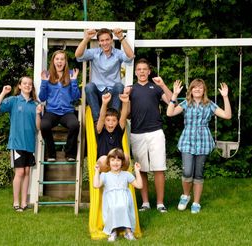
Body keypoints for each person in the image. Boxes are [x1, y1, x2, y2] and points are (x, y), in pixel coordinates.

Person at [166, 79, 232, 214]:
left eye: (200, 88)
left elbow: (227, 115)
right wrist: (174, 95)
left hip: (203, 141)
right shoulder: (186, 103)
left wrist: (225, 97)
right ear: (190, 90)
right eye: (195, 87)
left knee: (198, 173)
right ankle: (185, 196)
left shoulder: (209, 105)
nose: (197, 90)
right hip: (187, 141)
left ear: (204, 91)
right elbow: (170, 113)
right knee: (187, 171)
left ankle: (196, 202)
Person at [126, 58, 173, 213]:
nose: (142, 72)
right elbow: (126, 114)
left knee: (159, 168)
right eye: (139, 69)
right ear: (135, 72)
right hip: (137, 133)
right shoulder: (131, 89)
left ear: (149, 71)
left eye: (144, 69)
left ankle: (160, 203)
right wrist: (125, 99)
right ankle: (145, 203)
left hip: (155, 132)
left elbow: (173, 102)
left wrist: (163, 85)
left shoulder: (156, 87)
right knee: (142, 169)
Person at [0, 76, 42, 212]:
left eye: (30, 84)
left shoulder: (36, 104)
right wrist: (3, 93)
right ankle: (16, 203)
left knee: (27, 172)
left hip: (30, 143)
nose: (27, 86)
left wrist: (38, 114)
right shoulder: (13, 101)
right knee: (19, 172)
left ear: (32, 87)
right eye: (24, 83)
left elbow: (38, 127)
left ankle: (24, 203)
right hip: (17, 143)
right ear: (19, 86)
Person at [75, 28, 135, 122]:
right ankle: (97, 121)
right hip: (98, 93)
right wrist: (86, 38)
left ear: (111, 40)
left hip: (113, 93)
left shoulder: (117, 53)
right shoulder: (94, 53)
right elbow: (78, 55)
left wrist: (121, 37)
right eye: (102, 40)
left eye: (107, 39)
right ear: (99, 42)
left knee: (119, 86)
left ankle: (114, 118)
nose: (105, 43)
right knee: (89, 86)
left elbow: (131, 56)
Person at [93, 148, 143, 242]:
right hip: (110, 200)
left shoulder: (126, 174)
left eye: (118, 160)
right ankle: (113, 231)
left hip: (124, 199)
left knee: (123, 206)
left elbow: (139, 185)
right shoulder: (105, 175)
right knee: (113, 207)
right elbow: (96, 185)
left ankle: (128, 231)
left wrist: (137, 171)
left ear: (122, 162)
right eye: (112, 160)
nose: (115, 163)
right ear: (108, 162)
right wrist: (97, 172)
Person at [39, 50, 80, 162]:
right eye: (57, 59)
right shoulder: (47, 75)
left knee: (75, 125)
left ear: (65, 62)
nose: (59, 61)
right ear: (53, 61)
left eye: (62, 59)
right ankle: (51, 153)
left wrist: (74, 81)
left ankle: (70, 154)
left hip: (67, 112)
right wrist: (44, 83)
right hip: (52, 112)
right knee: (44, 125)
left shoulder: (71, 74)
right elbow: (42, 98)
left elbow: (76, 97)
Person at [96, 92, 130, 172]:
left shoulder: (118, 130)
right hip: (104, 164)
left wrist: (125, 103)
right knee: (103, 159)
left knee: (126, 156)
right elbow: (101, 118)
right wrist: (104, 104)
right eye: (108, 120)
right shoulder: (101, 130)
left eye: (114, 120)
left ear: (117, 122)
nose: (111, 123)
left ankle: (121, 175)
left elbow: (123, 117)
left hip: (117, 163)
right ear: (104, 122)